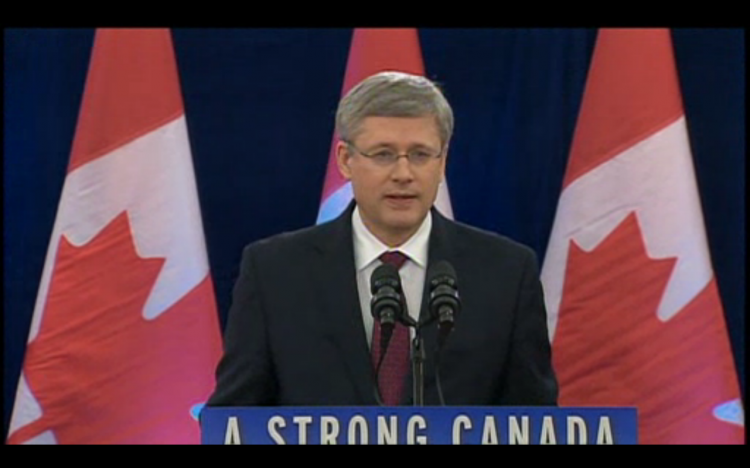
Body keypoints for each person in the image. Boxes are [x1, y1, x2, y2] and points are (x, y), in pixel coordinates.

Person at [206, 71, 557, 408]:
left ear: (442, 161)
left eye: (420, 155)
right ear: (346, 160)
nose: (403, 174)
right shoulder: (275, 273)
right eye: (384, 154)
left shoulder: (506, 273)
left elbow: (534, 422)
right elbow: (235, 419)